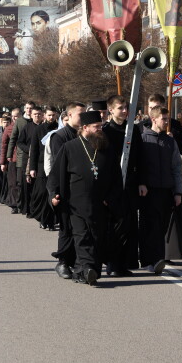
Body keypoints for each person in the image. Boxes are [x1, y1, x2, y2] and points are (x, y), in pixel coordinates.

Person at [51, 110, 122, 286]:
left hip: (100, 203)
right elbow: (56, 176)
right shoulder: (70, 147)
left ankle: (89, 271)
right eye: (96, 127)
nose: (100, 130)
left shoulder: (106, 147)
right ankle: (87, 268)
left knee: (97, 238)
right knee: (82, 236)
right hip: (76, 203)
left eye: (101, 126)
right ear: (84, 128)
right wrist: (54, 194)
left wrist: (111, 198)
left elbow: (116, 177)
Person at [138, 106, 182, 274]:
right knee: (149, 227)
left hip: (166, 190)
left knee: (162, 228)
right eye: (164, 119)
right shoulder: (142, 139)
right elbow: (138, 165)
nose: (167, 122)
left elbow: (176, 168)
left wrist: (178, 192)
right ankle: (149, 260)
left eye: (168, 119)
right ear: (154, 119)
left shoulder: (170, 142)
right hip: (148, 191)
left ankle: (157, 259)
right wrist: (141, 183)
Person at [101, 94, 143, 276]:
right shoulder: (104, 132)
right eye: (121, 108)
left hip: (131, 185)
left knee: (129, 225)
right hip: (112, 186)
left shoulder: (133, 130)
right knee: (114, 226)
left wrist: (142, 181)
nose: (125, 111)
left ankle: (125, 262)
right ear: (111, 110)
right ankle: (112, 264)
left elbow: (141, 159)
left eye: (126, 108)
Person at [45, 102, 85, 279]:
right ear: (68, 116)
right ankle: (62, 262)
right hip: (65, 188)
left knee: (81, 229)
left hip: (82, 189)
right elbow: (57, 167)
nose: (82, 117)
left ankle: (79, 262)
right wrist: (55, 193)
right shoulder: (59, 137)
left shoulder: (85, 135)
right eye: (79, 114)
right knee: (66, 228)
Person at [28, 107, 59, 231]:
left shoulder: (58, 128)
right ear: (45, 116)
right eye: (49, 115)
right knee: (41, 193)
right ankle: (42, 218)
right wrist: (32, 168)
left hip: (55, 165)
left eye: (53, 115)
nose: (51, 117)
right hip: (41, 166)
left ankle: (51, 221)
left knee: (52, 194)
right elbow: (34, 150)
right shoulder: (39, 129)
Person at [0, 109, 20, 213]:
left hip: (24, 159)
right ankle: (14, 205)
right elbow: (4, 146)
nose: (14, 118)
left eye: (16, 116)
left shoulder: (24, 126)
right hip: (12, 159)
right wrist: (3, 162)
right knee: (12, 183)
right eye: (13, 116)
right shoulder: (8, 129)